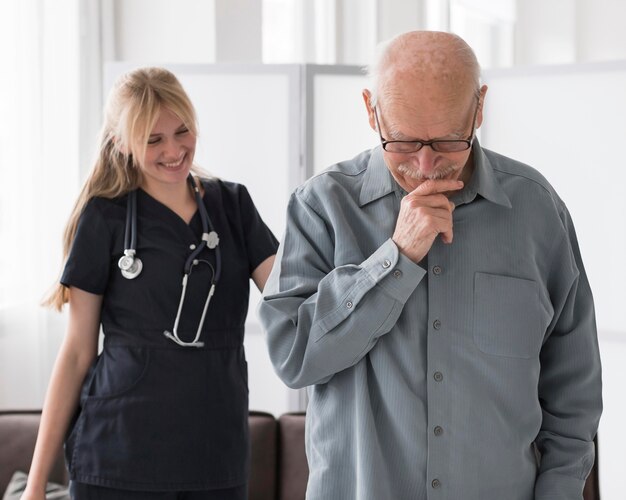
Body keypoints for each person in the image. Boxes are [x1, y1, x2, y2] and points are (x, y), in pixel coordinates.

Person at [258, 31, 602, 500]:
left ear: (479, 109)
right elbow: (295, 358)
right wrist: (396, 257)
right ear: (370, 110)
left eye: (446, 140)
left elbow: (573, 388)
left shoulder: (536, 211)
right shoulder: (321, 206)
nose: (424, 164)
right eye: (401, 141)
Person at [22, 67, 278, 500]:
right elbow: (77, 352)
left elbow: (293, 301)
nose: (175, 150)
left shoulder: (233, 206)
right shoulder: (105, 218)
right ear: (122, 143)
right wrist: (33, 486)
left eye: (182, 131)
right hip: (117, 451)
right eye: (153, 140)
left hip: (214, 451)